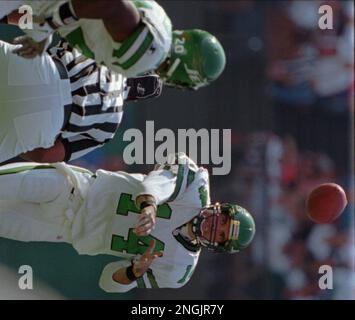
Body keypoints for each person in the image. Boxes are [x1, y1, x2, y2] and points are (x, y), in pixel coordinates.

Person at [0, 153, 255, 292]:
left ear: (217, 247)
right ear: (220, 208)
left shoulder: (178, 270)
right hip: (74, 189)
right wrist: (149, 204)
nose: (215, 227)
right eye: (222, 221)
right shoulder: (196, 186)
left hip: (60, 230)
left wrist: (135, 271)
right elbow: (154, 183)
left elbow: (107, 281)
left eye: (221, 234)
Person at [0, 38, 162, 164]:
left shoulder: (103, 46)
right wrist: (20, 144)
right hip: (41, 123)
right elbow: (45, 155)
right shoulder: (111, 126)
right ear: (134, 98)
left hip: (37, 68)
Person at [1, 0, 226, 90]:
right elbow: (111, 4)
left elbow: (57, 13)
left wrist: (41, 32)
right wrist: (53, 22)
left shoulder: (162, 24)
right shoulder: (150, 53)